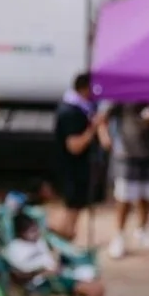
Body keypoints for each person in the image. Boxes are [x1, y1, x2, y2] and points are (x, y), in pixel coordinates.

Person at [2, 210, 105, 296]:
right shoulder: (14, 248)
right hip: (43, 282)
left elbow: (61, 249)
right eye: (31, 231)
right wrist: (42, 271)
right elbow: (17, 274)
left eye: (36, 229)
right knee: (95, 290)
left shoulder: (40, 241)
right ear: (21, 233)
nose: (36, 233)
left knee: (95, 279)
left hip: (59, 274)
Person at [52, 73, 107, 244]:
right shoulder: (71, 112)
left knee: (75, 208)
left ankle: (67, 236)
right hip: (72, 169)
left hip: (78, 169)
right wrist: (94, 127)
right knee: (71, 209)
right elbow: (75, 146)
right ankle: (62, 238)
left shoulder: (84, 108)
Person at [109, 105, 149, 258]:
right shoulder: (124, 91)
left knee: (147, 194)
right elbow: (104, 115)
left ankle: (143, 230)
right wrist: (106, 137)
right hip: (127, 153)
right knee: (124, 196)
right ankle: (119, 235)